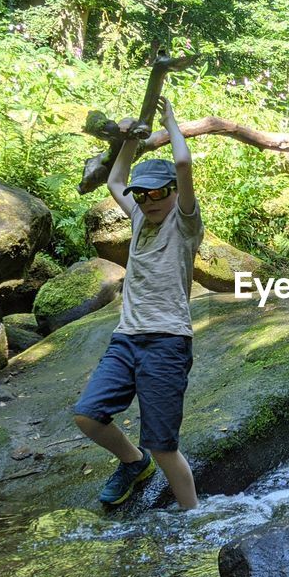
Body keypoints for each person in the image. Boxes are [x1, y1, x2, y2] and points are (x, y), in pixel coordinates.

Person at [71, 96, 201, 509]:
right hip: (126, 337)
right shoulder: (141, 217)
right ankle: (132, 461)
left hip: (167, 341)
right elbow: (114, 181)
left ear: (174, 192)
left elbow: (183, 165)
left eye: (160, 192)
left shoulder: (183, 222)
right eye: (143, 195)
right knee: (88, 415)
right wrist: (128, 138)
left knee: (164, 446)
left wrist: (170, 123)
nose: (151, 200)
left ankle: (192, 519)